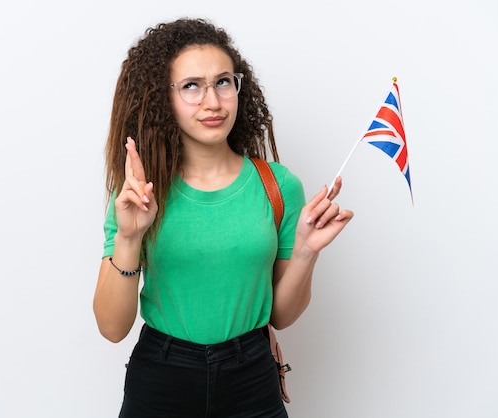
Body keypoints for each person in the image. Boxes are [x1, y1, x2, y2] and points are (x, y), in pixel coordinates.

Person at [93, 17, 354, 417]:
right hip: (162, 375)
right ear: (164, 99)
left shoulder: (278, 186)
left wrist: (304, 252)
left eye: (223, 82)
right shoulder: (139, 193)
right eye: (191, 86)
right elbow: (112, 329)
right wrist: (129, 238)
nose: (212, 102)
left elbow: (281, 317)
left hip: (251, 374)